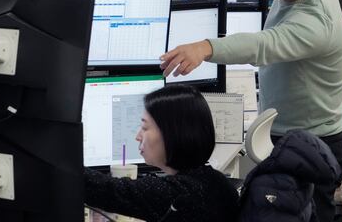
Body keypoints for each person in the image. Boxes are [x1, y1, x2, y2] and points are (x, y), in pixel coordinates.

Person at [160, 0, 342, 222]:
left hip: (312, 147)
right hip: (299, 134)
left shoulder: (316, 22)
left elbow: (264, 45)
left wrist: (205, 47)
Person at [84, 85, 238, 222]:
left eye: (145, 128)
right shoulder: (217, 181)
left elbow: (105, 189)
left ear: (171, 134)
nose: (137, 136)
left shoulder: (177, 194)